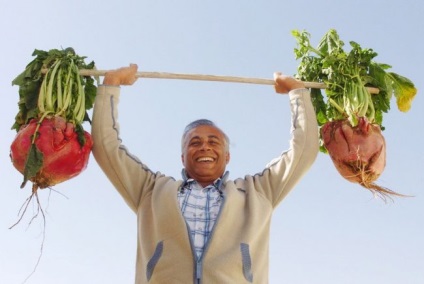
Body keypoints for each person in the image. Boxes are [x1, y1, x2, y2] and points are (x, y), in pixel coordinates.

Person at [91, 64, 319, 284]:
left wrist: (297, 92)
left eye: (213, 141)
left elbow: (304, 150)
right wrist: (112, 84)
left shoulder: (258, 192)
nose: (205, 147)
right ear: (182, 157)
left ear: (227, 156)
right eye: (195, 142)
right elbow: (106, 148)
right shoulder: (150, 190)